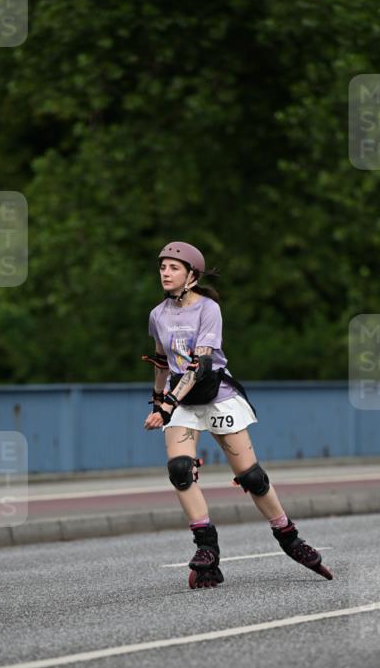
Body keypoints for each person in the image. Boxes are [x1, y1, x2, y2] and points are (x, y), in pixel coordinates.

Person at [143, 241, 333, 589]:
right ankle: (207, 548)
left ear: (192, 275)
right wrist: (158, 402)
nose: (165, 273)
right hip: (181, 401)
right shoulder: (158, 315)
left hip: (216, 395)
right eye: (162, 267)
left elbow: (200, 366)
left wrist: (167, 402)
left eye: (173, 268)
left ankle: (288, 537)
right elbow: (161, 361)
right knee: (180, 470)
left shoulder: (208, 309)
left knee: (251, 477)